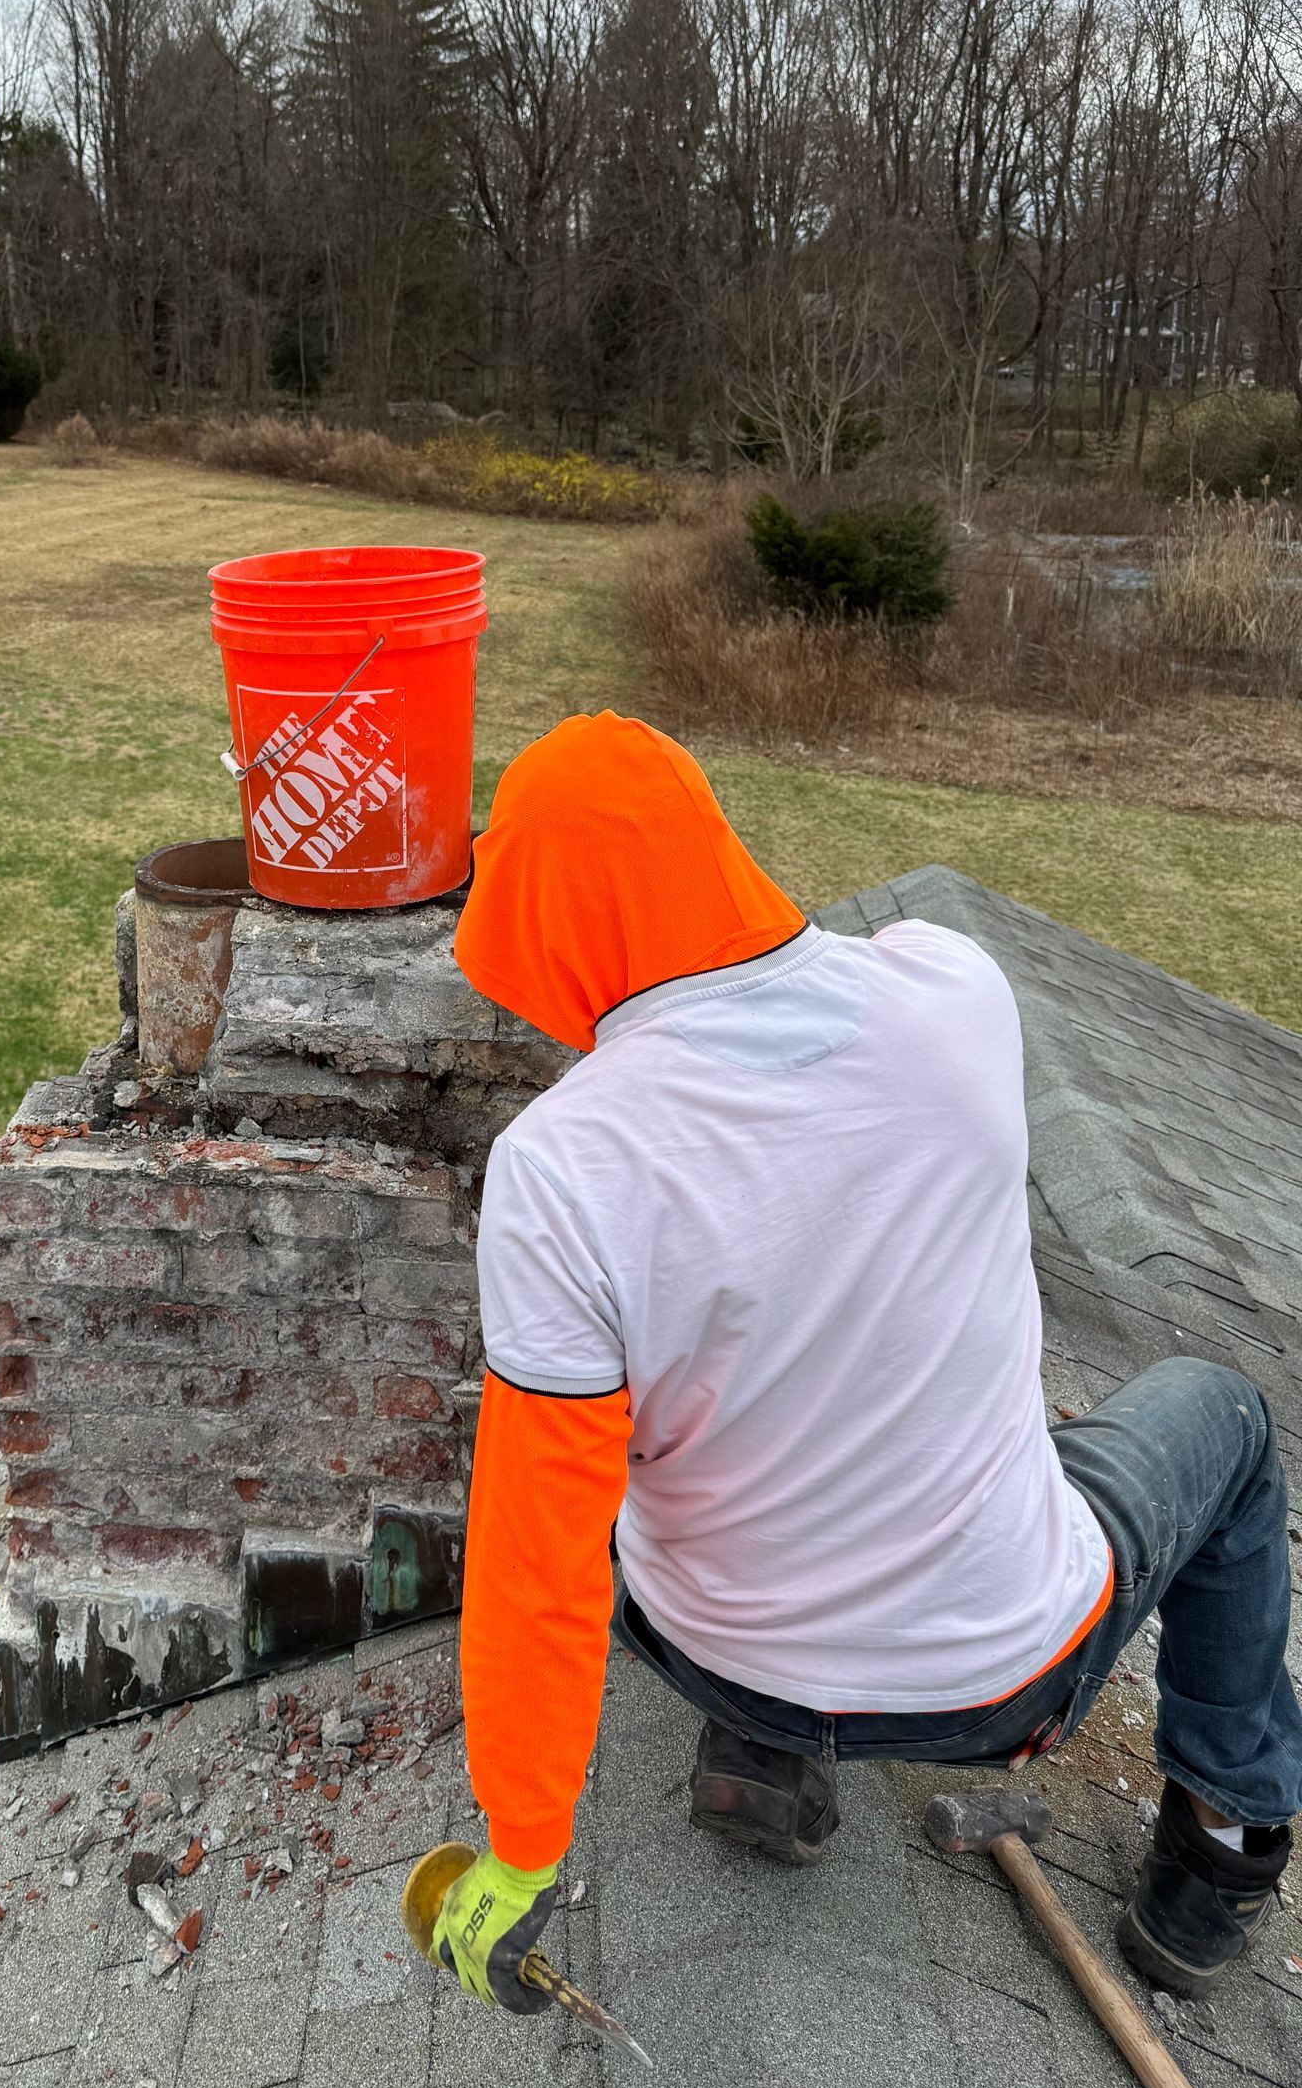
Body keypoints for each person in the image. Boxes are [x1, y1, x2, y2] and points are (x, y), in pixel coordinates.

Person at [427, 712, 1302, 2008]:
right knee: (1225, 1415)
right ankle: (1222, 1853)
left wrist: (522, 1845)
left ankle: (758, 1757)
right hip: (998, 1689)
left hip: (702, 1649)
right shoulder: (955, 995)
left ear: (547, 926)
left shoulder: (559, 1167)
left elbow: (534, 1555)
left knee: (666, 1421)